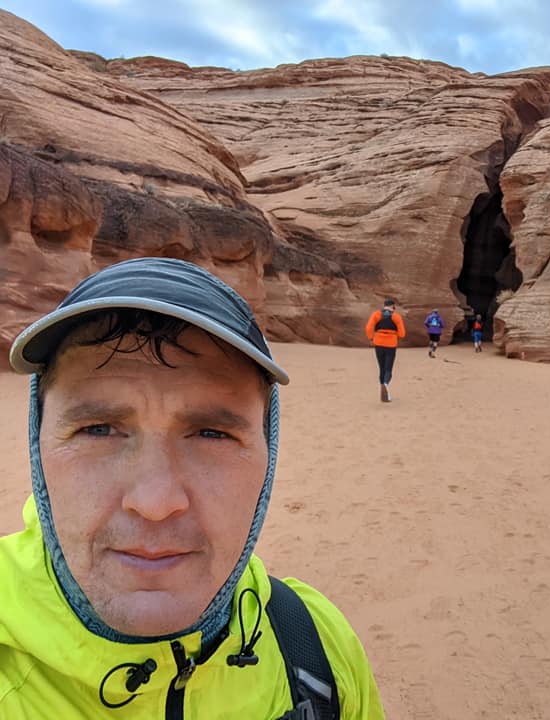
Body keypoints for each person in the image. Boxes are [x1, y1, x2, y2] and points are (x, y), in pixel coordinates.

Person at [1, 257, 385, 719]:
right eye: (99, 429)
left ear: (269, 453)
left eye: (211, 434)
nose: (155, 503)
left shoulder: (317, 649)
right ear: (38, 442)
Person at [365, 298, 406, 402]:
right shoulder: (396, 317)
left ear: (384, 306)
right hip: (391, 344)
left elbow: (369, 328)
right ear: (393, 306)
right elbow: (402, 334)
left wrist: (371, 337)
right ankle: (386, 385)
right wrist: (394, 334)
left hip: (378, 343)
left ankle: (382, 389)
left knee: (381, 367)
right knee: (388, 368)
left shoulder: (376, 315)